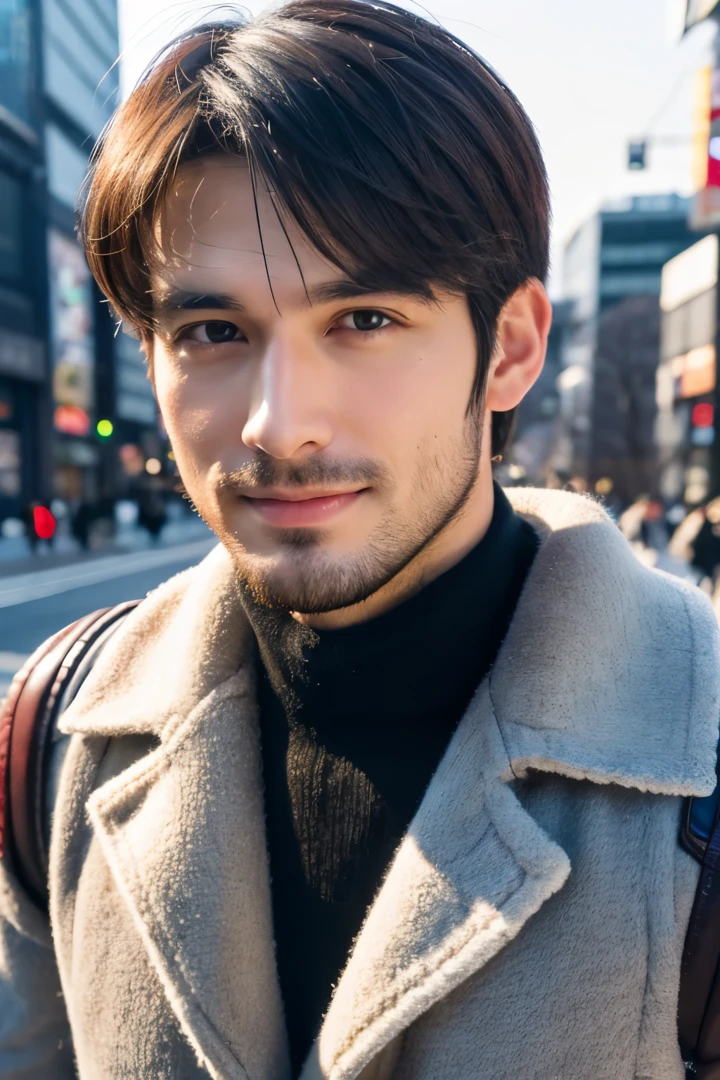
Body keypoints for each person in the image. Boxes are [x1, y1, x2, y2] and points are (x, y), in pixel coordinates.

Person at [1, 4, 717, 1077]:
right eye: (212, 333)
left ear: (511, 348)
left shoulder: (700, 761)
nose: (278, 423)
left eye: (365, 319)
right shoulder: (49, 735)